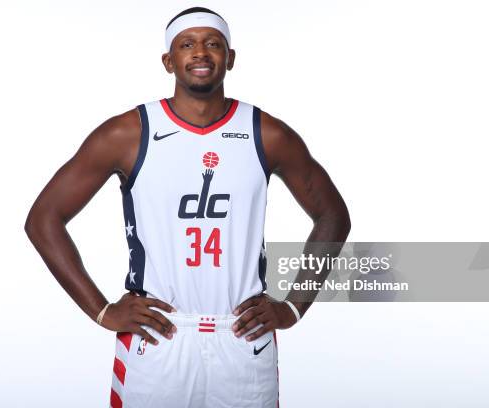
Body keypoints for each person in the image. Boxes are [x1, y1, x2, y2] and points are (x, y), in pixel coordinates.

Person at [25, 6, 350, 408]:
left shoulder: (266, 134)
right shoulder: (127, 133)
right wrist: (102, 311)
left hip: (242, 336)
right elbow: (43, 218)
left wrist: (295, 308)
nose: (201, 53)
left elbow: (333, 215)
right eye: (187, 44)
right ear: (169, 60)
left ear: (230, 58)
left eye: (213, 43)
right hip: (159, 336)